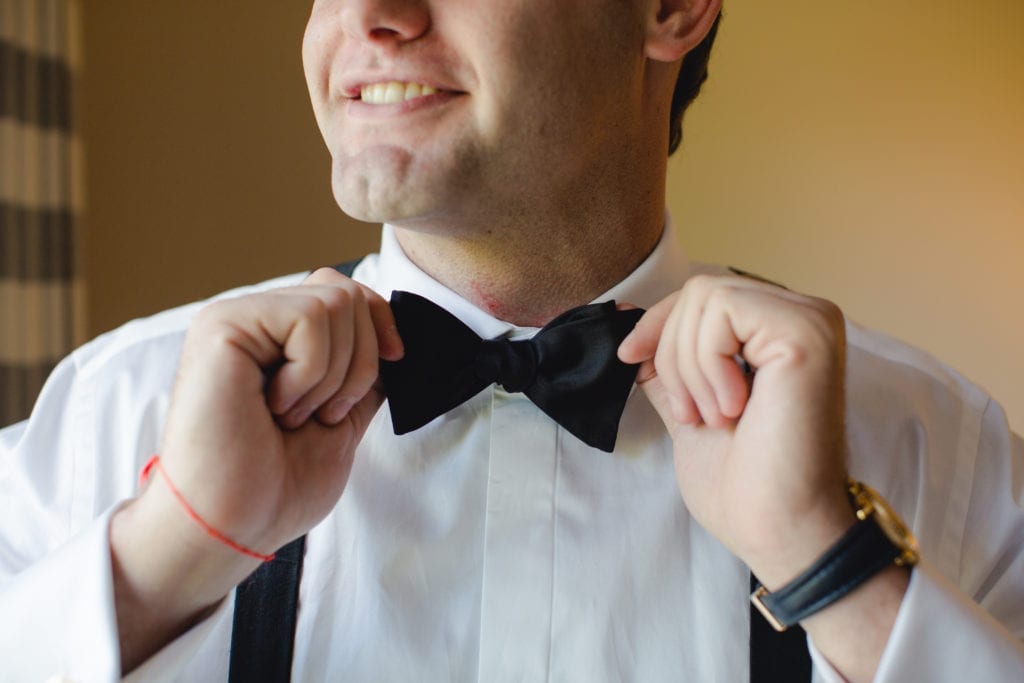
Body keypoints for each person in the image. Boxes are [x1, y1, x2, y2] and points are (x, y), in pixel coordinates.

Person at [2, 0, 1022, 680]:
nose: (367, 14)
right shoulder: (115, 408)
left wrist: (834, 568)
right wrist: (164, 555)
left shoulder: (937, 444)